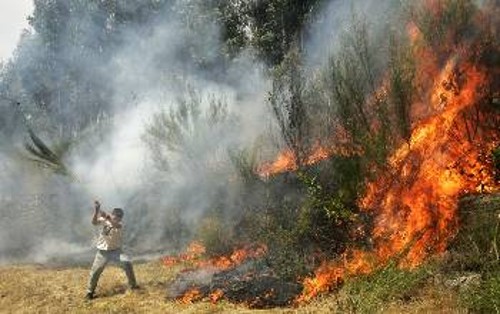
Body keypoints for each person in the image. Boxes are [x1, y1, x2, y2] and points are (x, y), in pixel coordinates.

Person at [85, 200, 138, 300]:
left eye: (119, 217)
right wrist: (97, 210)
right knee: (95, 272)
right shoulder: (105, 220)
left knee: (127, 263)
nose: (116, 218)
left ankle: (133, 285)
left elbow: (115, 224)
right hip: (102, 252)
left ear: (121, 218)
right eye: (115, 216)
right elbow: (94, 222)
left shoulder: (120, 225)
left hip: (116, 251)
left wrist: (107, 216)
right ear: (113, 214)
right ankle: (89, 292)